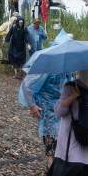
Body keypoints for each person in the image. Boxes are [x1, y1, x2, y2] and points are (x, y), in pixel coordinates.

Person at [20, 31, 74, 167]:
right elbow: (27, 85)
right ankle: (51, 170)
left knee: (62, 140)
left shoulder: (68, 68)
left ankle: (58, 168)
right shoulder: (47, 64)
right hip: (47, 109)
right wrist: (32, 106)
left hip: (63, 109)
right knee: (51, 140)